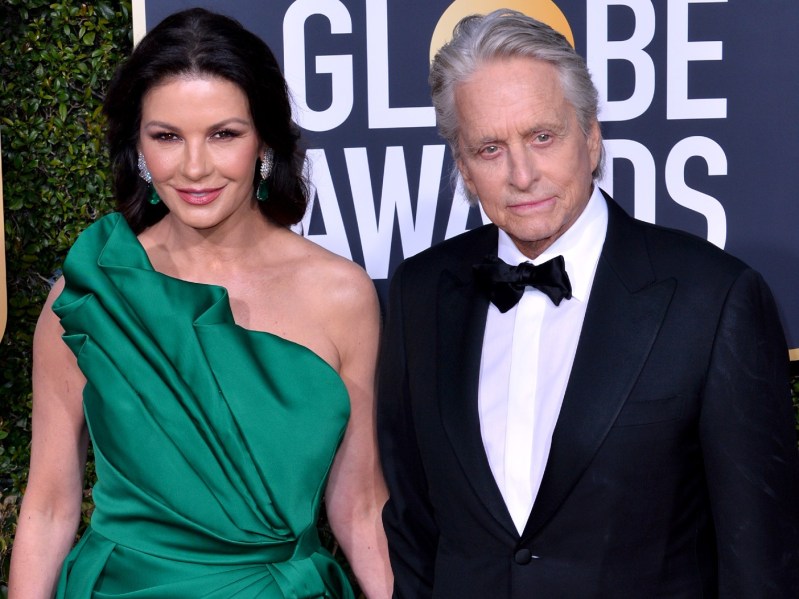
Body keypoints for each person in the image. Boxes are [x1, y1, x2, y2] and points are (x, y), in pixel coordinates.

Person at [377, 9, 799, 598]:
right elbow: (415, 528)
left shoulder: (713, 298)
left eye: (542, 137)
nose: (521, 175)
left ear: (592, 136)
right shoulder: (421, 293)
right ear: (464, 169)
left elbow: (759, 561)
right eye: (490, 149)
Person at [9, 8, 392, 598]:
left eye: (223, 134)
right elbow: (50, 506)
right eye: (166, 136)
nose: (194, 167)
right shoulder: (91, 295)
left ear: (264, 139)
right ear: (136, 145)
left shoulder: (341, 294)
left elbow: (360, 502)